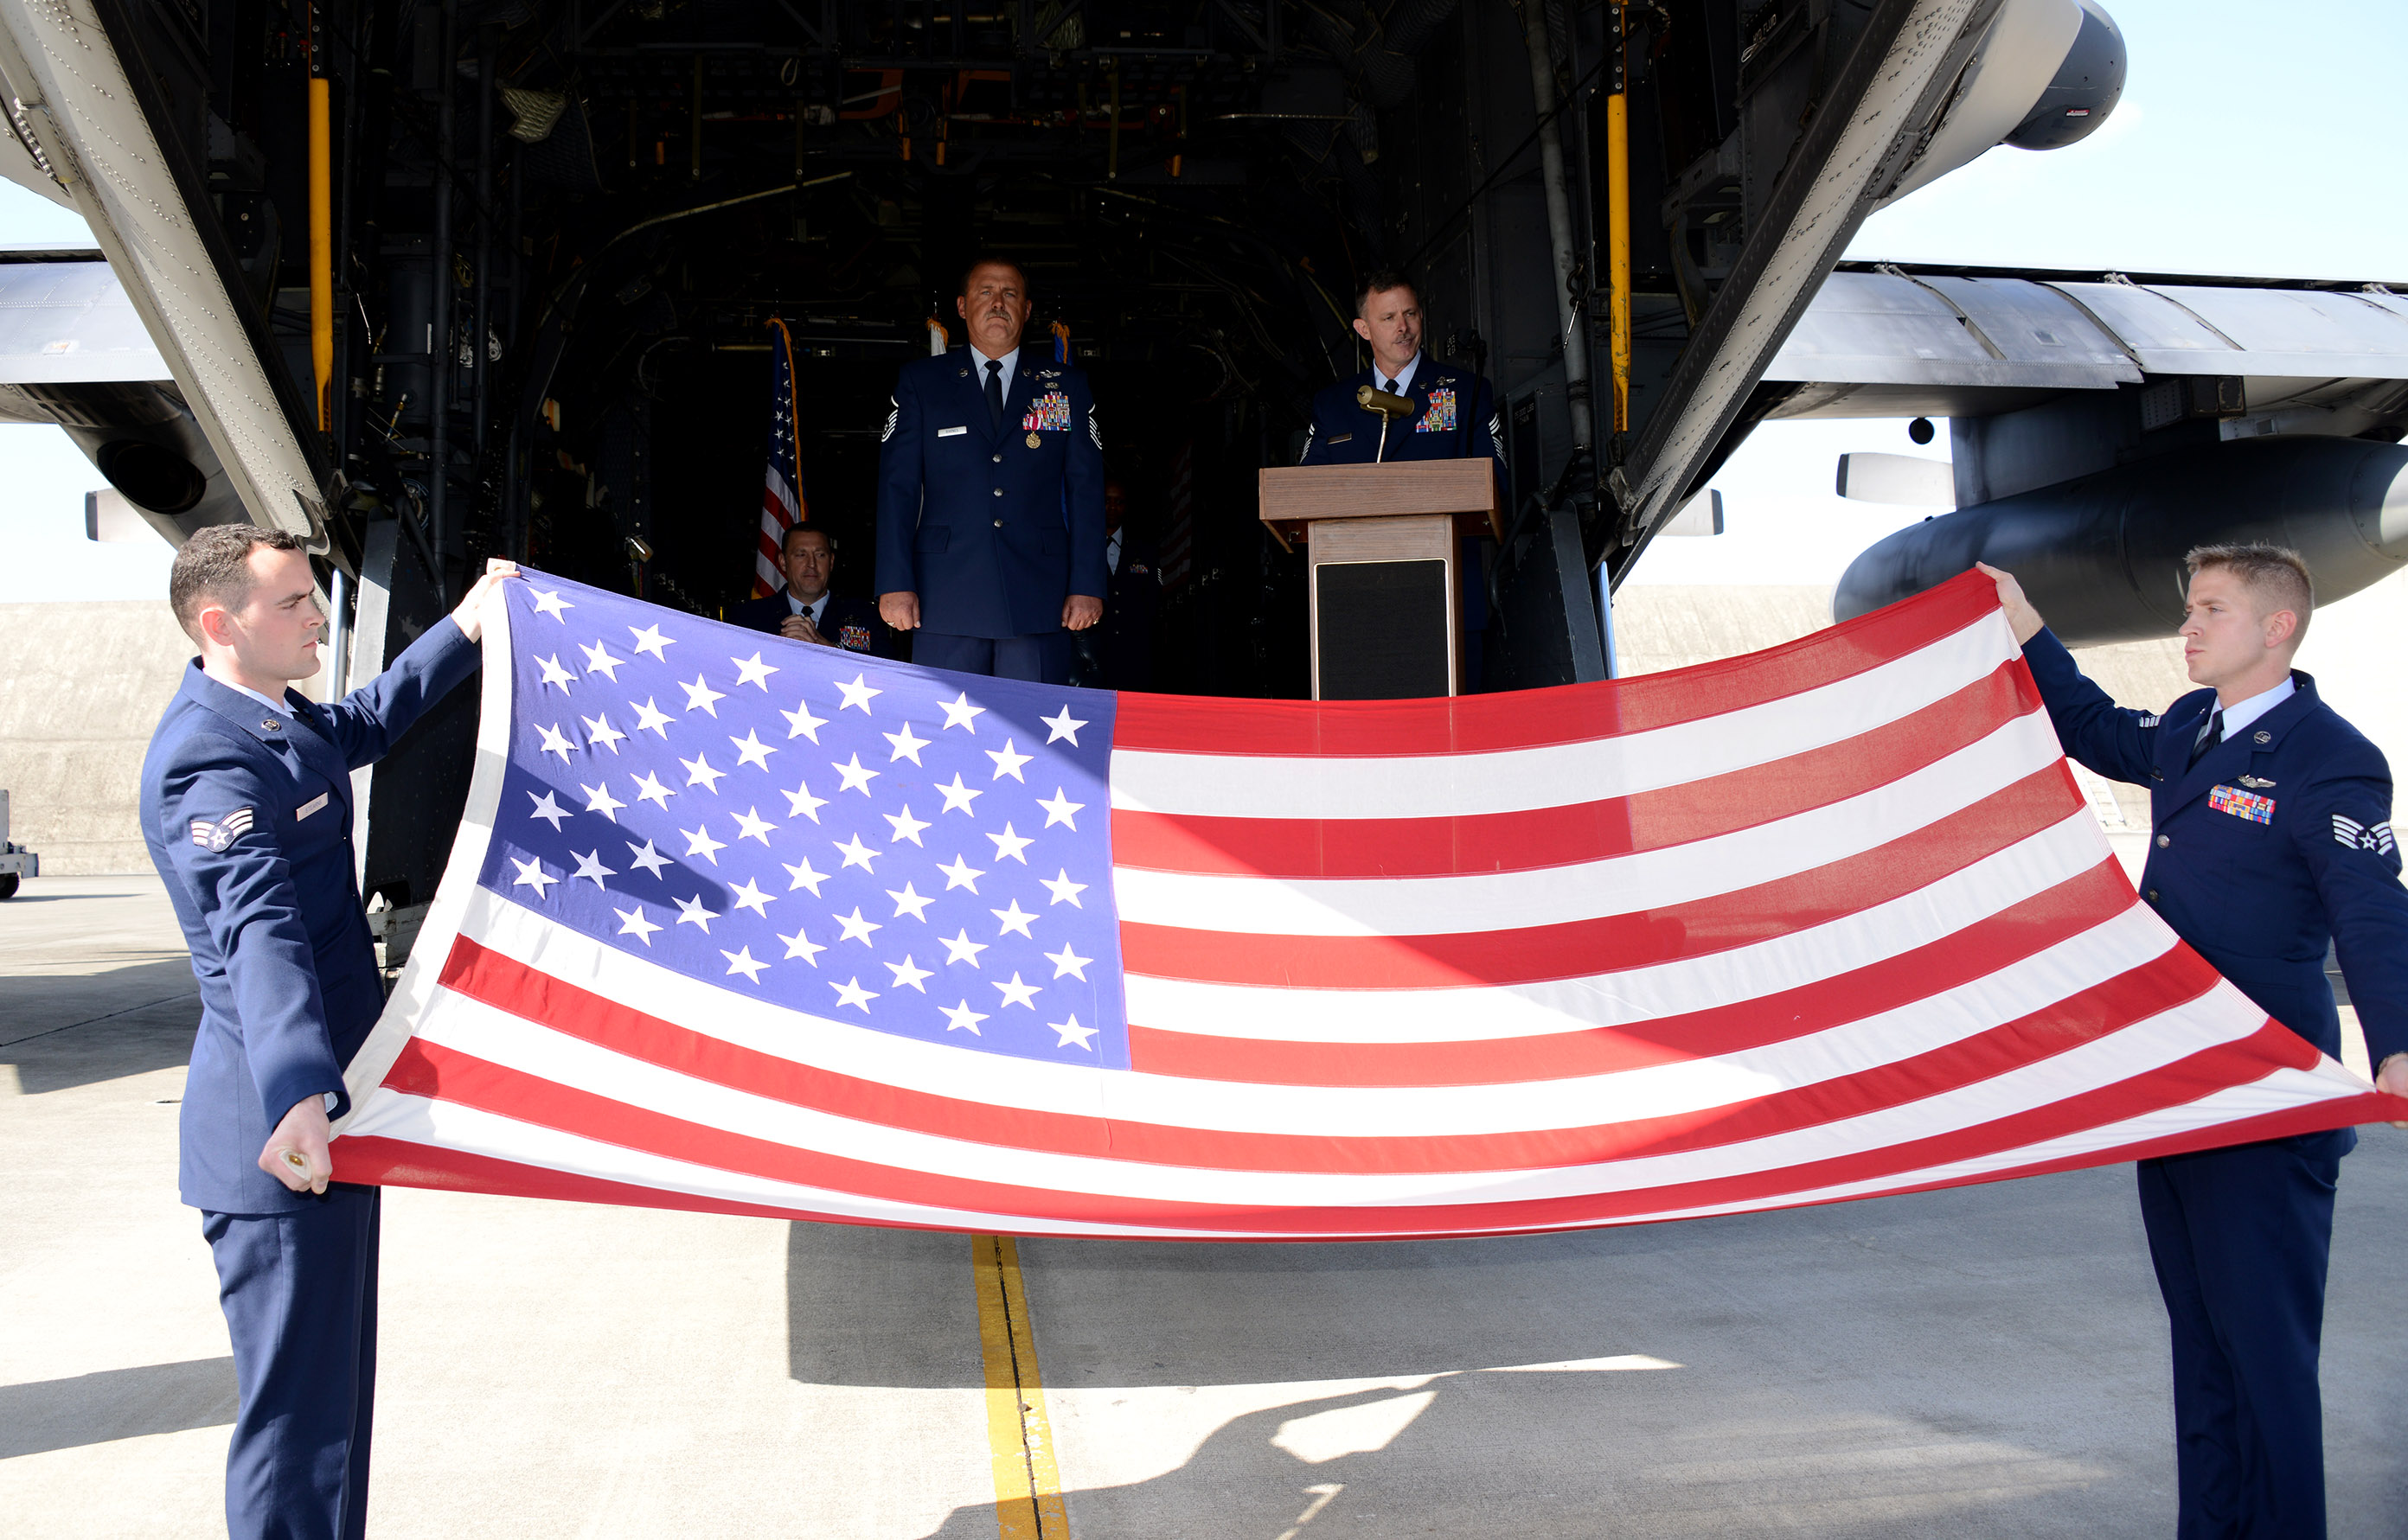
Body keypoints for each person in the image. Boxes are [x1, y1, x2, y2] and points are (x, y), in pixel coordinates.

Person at [1982, 546, 2408, 1539]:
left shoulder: (2328, 755)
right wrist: (2028, 626)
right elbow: (2090, 728)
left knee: (2266, 1355)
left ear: (2277, 627)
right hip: (2173, 1082)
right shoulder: (2188, 726)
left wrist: (2397, 1039)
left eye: (2212, 609)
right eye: (2189, 609)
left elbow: (2371, 907)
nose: (2189, 626)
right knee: (2204, 1350)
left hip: (2264, 1089)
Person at [141, 525, 514, 1540]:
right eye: (295, 604)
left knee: (337, 1414)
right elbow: (258, 933)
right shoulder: (206, 761)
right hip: (279, 1138)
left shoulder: (271, 718)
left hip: (327, 1121)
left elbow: (357, 723)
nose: (317, 617)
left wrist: (468, 628)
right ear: (221, 624)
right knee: (296, 1427)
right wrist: (300, 1091)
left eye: (314, 596)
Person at [874, 257, 1105, 683]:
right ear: (962, 307)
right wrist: (894, 582)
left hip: (1040, 593)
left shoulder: (1064, 384)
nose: (998, 303)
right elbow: (898, 488)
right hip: (944, 593)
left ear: (1027, 310)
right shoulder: (922, 382)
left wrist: (1087, 583)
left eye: (1010, 294)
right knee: (947, 736)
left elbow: (1086, 491)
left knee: (1032, 735)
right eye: (986, 292)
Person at [1299, 269, 1503, 467]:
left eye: (1410, 314)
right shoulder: (1332, 406)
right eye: (1389, 318)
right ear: (1364, 329)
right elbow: (1306, 490)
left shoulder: (1467, 392)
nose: (1403, 327)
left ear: (1421, 315)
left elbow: (1494, 484)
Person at [731, 522, 886, 655]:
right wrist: (777, 651)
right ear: (783, 561)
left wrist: (829, 649)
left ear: (831, 562)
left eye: (820, 555)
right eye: (800, 555)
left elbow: (889, 673)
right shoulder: (748, 618)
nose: (811, 564)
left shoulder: (867, 616)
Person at [1073, 476, 1161, 690]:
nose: (1112, 507)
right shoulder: (1081, 546)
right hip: (1093, 647)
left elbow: (1154, 600)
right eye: (1107, 501)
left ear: (1126, 506)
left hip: (1135, 649)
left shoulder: (1144, 550)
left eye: (1119, 501)